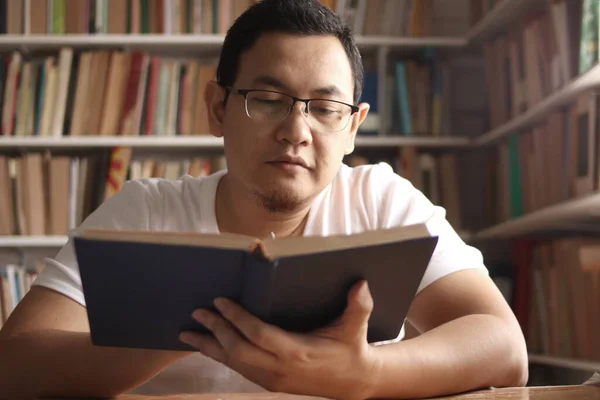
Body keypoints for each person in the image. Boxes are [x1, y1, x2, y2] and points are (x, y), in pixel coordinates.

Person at [0, 1, 528, 399]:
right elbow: (14, 365)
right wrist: (191, 326)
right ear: (217, 108)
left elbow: (504, 350)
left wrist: (364, 373)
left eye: (325, 108)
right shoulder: (146, 210)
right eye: (269, 100)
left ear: (352, 128)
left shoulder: (380, 201)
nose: (296, 131)